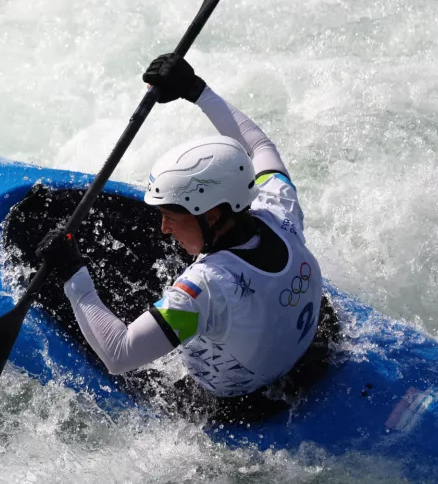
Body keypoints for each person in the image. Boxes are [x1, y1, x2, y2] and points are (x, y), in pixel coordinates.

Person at [36, 53, 339, 422]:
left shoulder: (204, 289)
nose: (164, 229)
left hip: (242, 404)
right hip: (310, 351)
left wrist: (74, 275)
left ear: (212, 214)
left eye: (171, 217)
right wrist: (196, 91)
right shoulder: (280, 208)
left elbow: (119, 355)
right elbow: (259, 147)